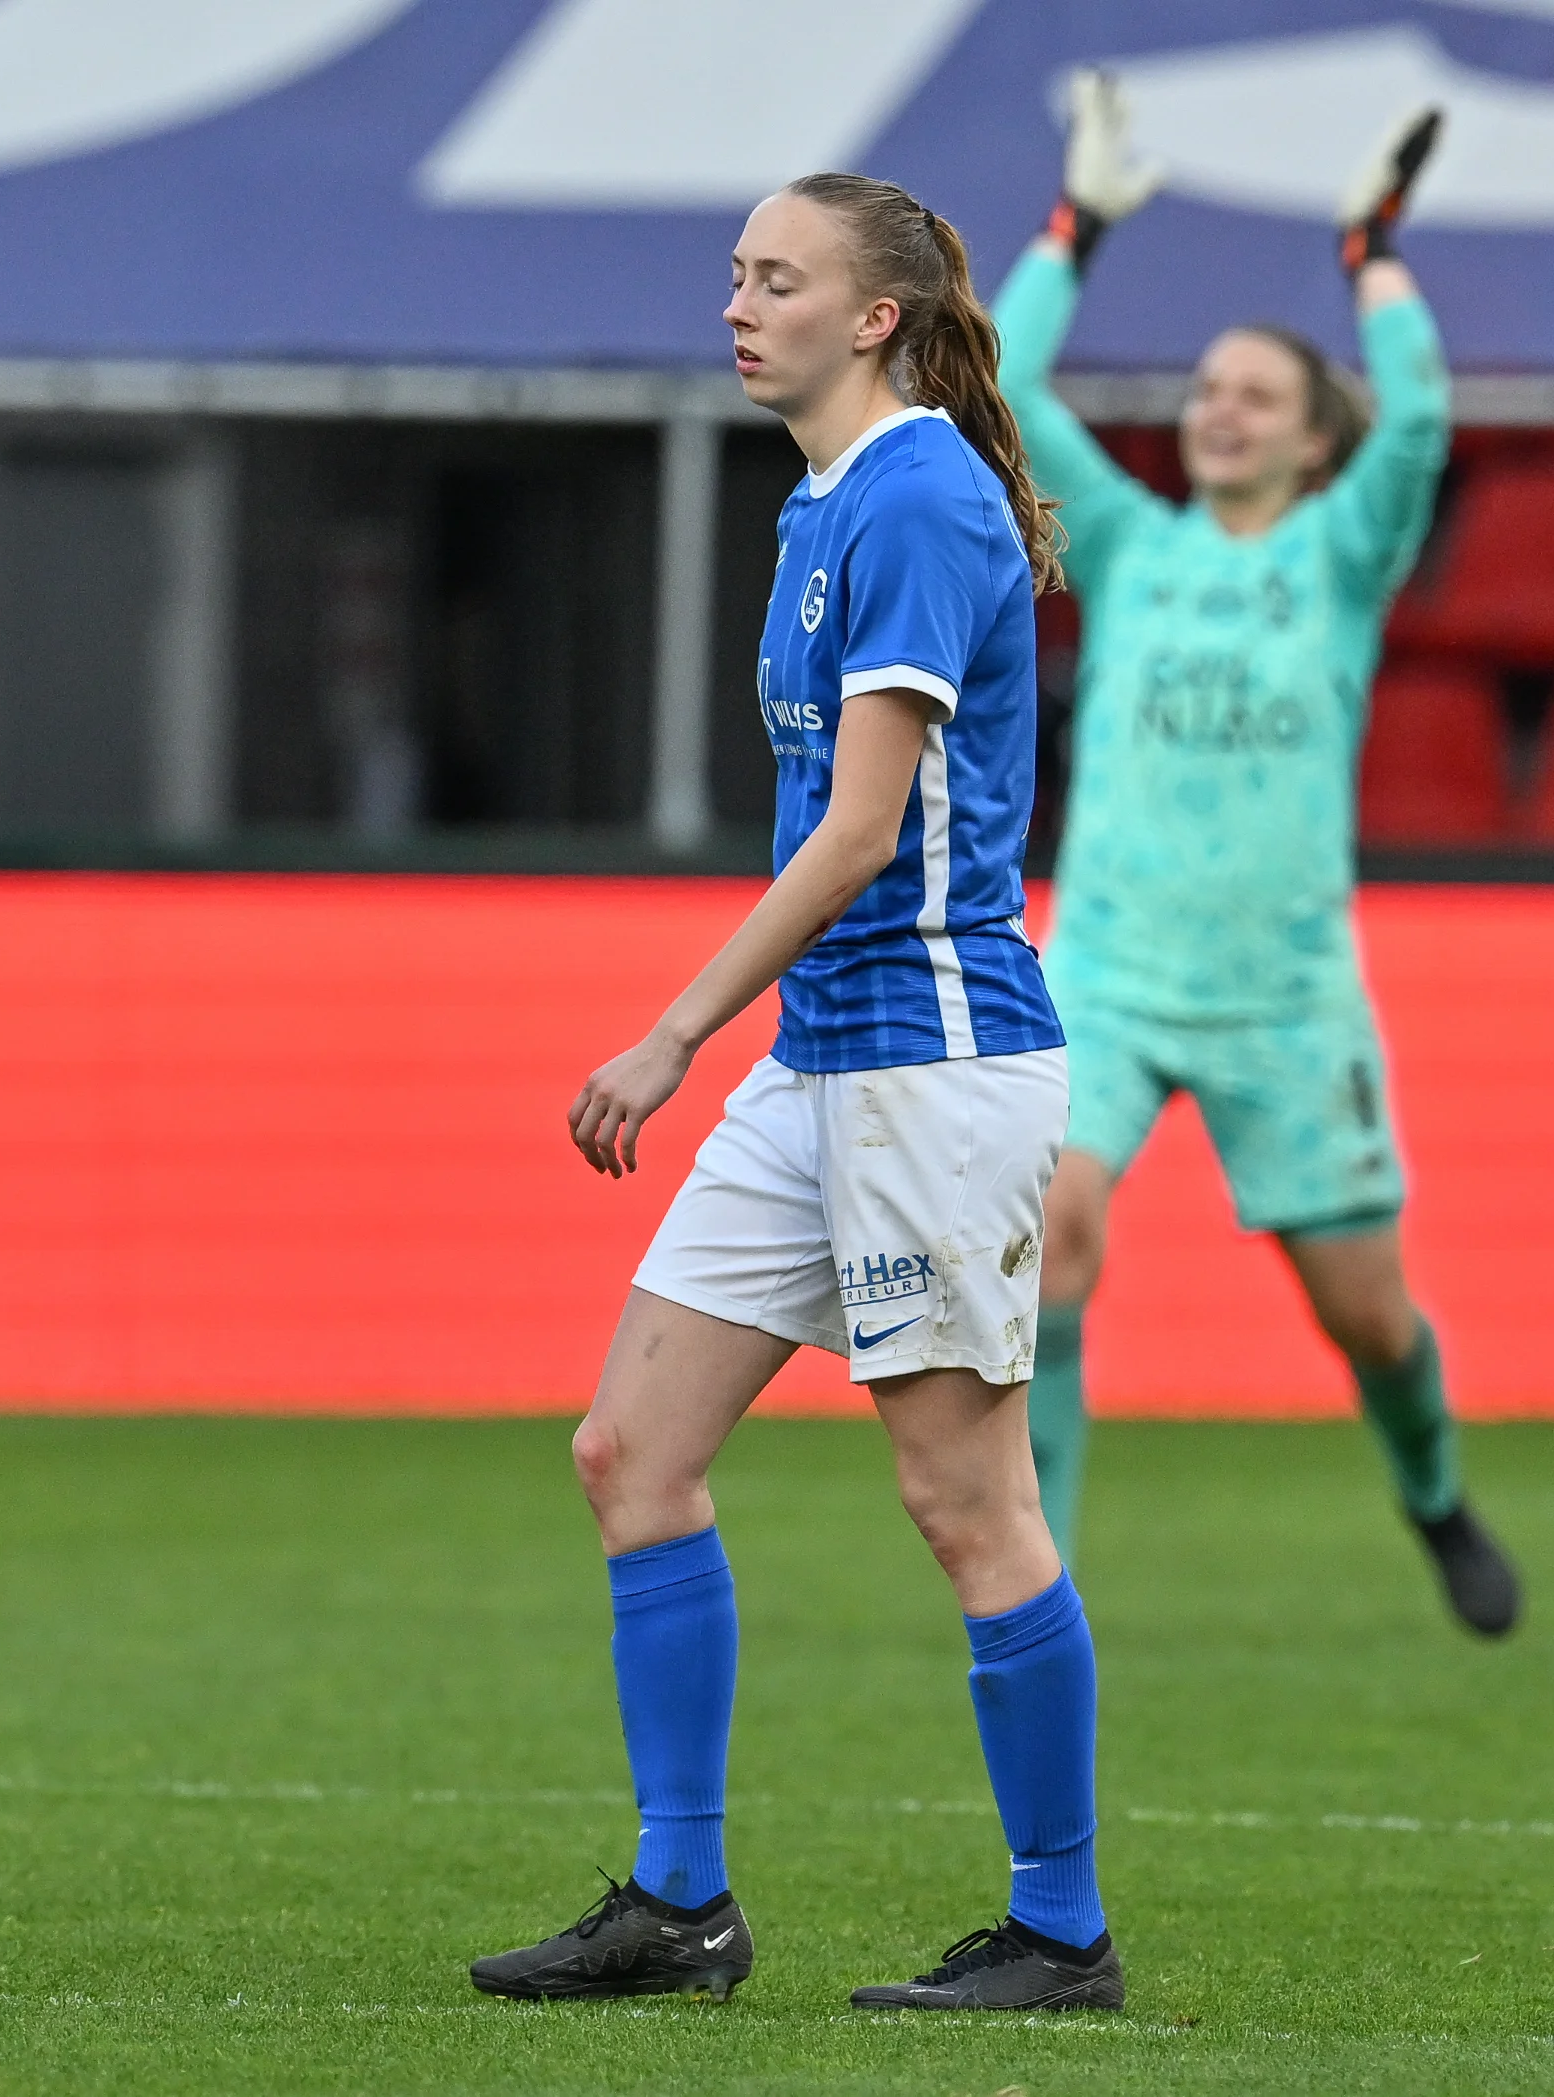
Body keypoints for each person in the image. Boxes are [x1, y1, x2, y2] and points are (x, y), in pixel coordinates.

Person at [471, 172, 1121, 2015]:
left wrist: (669, 1031)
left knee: (963, 1496)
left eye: (778, 278)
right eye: (735, 273)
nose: (737, 304)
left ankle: (1062, 1930)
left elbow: (859, 833)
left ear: (876, 318)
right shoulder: (829, 499)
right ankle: (680, 1905)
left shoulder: (914, 496)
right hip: (825, 1062)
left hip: (930, 1060)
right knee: (631, 1453)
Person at [994, 78, 1520, 1633]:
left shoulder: (1338, 557)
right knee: (1051, 1247)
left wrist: (1369, 251)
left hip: (1286, 995)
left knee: (1364, 1316)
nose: (1216, 407)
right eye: (1207, 387)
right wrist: (1071, 226)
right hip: (1109, 969)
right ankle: (1037, 1593)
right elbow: (1003, 384)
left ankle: (1428, 1488)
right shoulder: (1136, 547)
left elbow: (1420, 419)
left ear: (1308, 442)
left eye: (1254, 395)